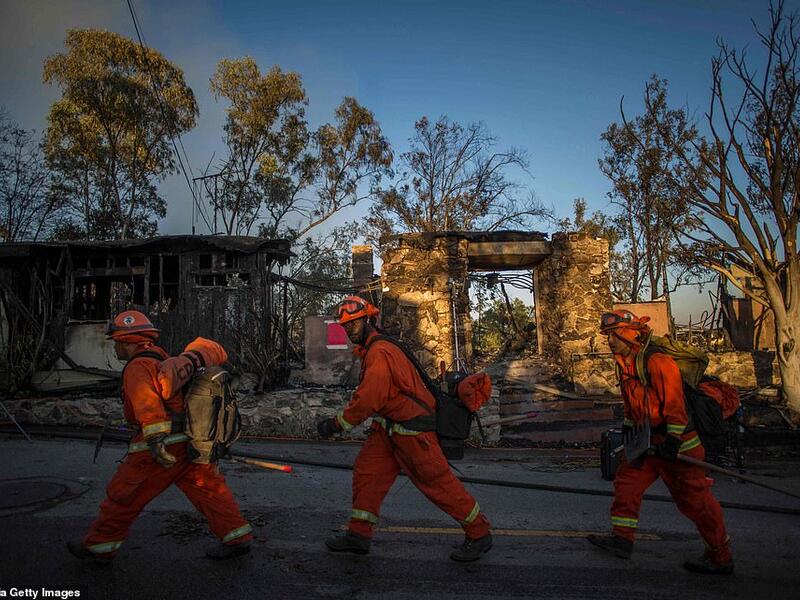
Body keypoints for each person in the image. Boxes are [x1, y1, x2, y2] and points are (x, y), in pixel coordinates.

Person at [67, 310, 252, 563]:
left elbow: (148, 405)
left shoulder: (138, 366)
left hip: (162, 446)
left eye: (117, 342)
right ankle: (237, 537)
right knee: (208, 489)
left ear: (127, 341)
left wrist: (155, 443)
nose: (115, 348)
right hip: (188, 439)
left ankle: (99, 546)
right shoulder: (163, 359)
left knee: (124, 495)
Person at [317, 295, 493, 562]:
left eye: (353, 324)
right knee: (368, 473)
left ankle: (479, 533)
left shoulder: (379, 352)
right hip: (388, 428)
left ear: (368, 320)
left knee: (437, 484)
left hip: (412, 431)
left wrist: (337, 424)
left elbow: (369, 397)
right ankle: (358, 534)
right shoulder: (376, 348)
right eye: (345, 326)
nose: (349, 330)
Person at [587, 309, 733, 574]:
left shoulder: (657, 361)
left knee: (695, 502)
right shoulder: (624, 364)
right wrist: (630, 442)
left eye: (614, 335)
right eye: (607, 335)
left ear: (630, 334)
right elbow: (633, 409)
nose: (609, 341)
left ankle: (720, 556)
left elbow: (675, 406)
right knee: (627, 484)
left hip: (678, 445)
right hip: (647, 442)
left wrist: (674, 441)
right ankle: (622, 540)